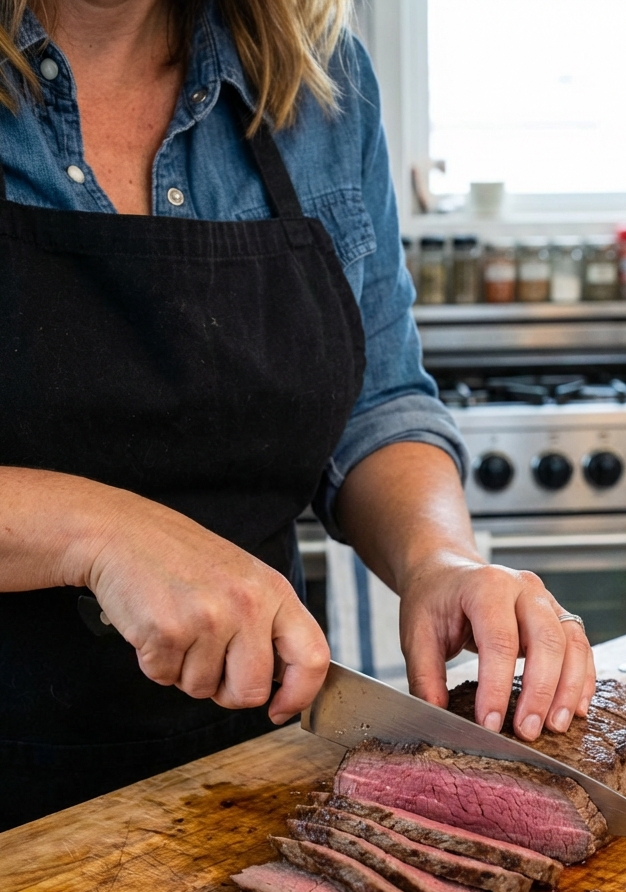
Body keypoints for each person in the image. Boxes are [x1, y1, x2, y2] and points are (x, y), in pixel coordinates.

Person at [0, 0, 595, 832]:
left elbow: (377, 402)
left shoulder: (323, 79)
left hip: (248, 771)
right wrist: (97, 533)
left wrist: (440, 560)